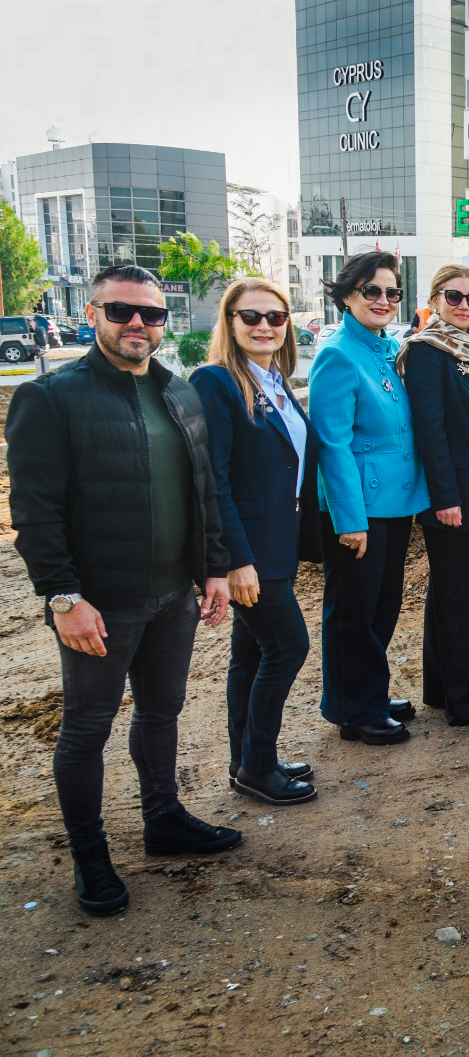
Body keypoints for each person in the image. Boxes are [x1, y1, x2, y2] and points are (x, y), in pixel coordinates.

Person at [7, 264, 240, 917]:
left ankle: (164, 821)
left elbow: (204, 493)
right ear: (92, 314)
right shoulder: (51, 399)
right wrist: (62, 598)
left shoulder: (179, 391)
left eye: (153, 314)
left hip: (174, 596)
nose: (139, 324)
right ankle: (90, 854)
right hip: (100, 604)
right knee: (86, 729)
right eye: (122, 312)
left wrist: (213, 569)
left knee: (161, 712)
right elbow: (35, 514)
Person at [190, 277, 321, 806]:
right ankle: (258, 766)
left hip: (277, 540)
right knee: (289, 646)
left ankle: (247, 760)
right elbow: (212, 479)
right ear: (230, 321)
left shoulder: (273, 379)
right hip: (250, 550)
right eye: (251, 317)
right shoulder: (216, 382)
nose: (265, 326)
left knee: (252, 654)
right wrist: (233, 559)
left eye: (275, 316)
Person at [309, 250, 428, 745]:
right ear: (346, 296)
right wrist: (349, 519)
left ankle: (365, 694)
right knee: (353, 611)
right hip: (359, 509)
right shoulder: (337, 353)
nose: (383, 300)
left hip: (395, 504)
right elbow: (332, 444)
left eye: (392, 291)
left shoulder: (385, 347)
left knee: (382, 605)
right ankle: (354, 708)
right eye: (371, 291)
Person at [399, 264, 469, 725]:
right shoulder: (429, 351)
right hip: (456, 497)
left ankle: (444, 691)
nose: (465, 306)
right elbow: (430, 431)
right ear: (434, 301)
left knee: (451, 594)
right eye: (454, 297)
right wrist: (445, 498)